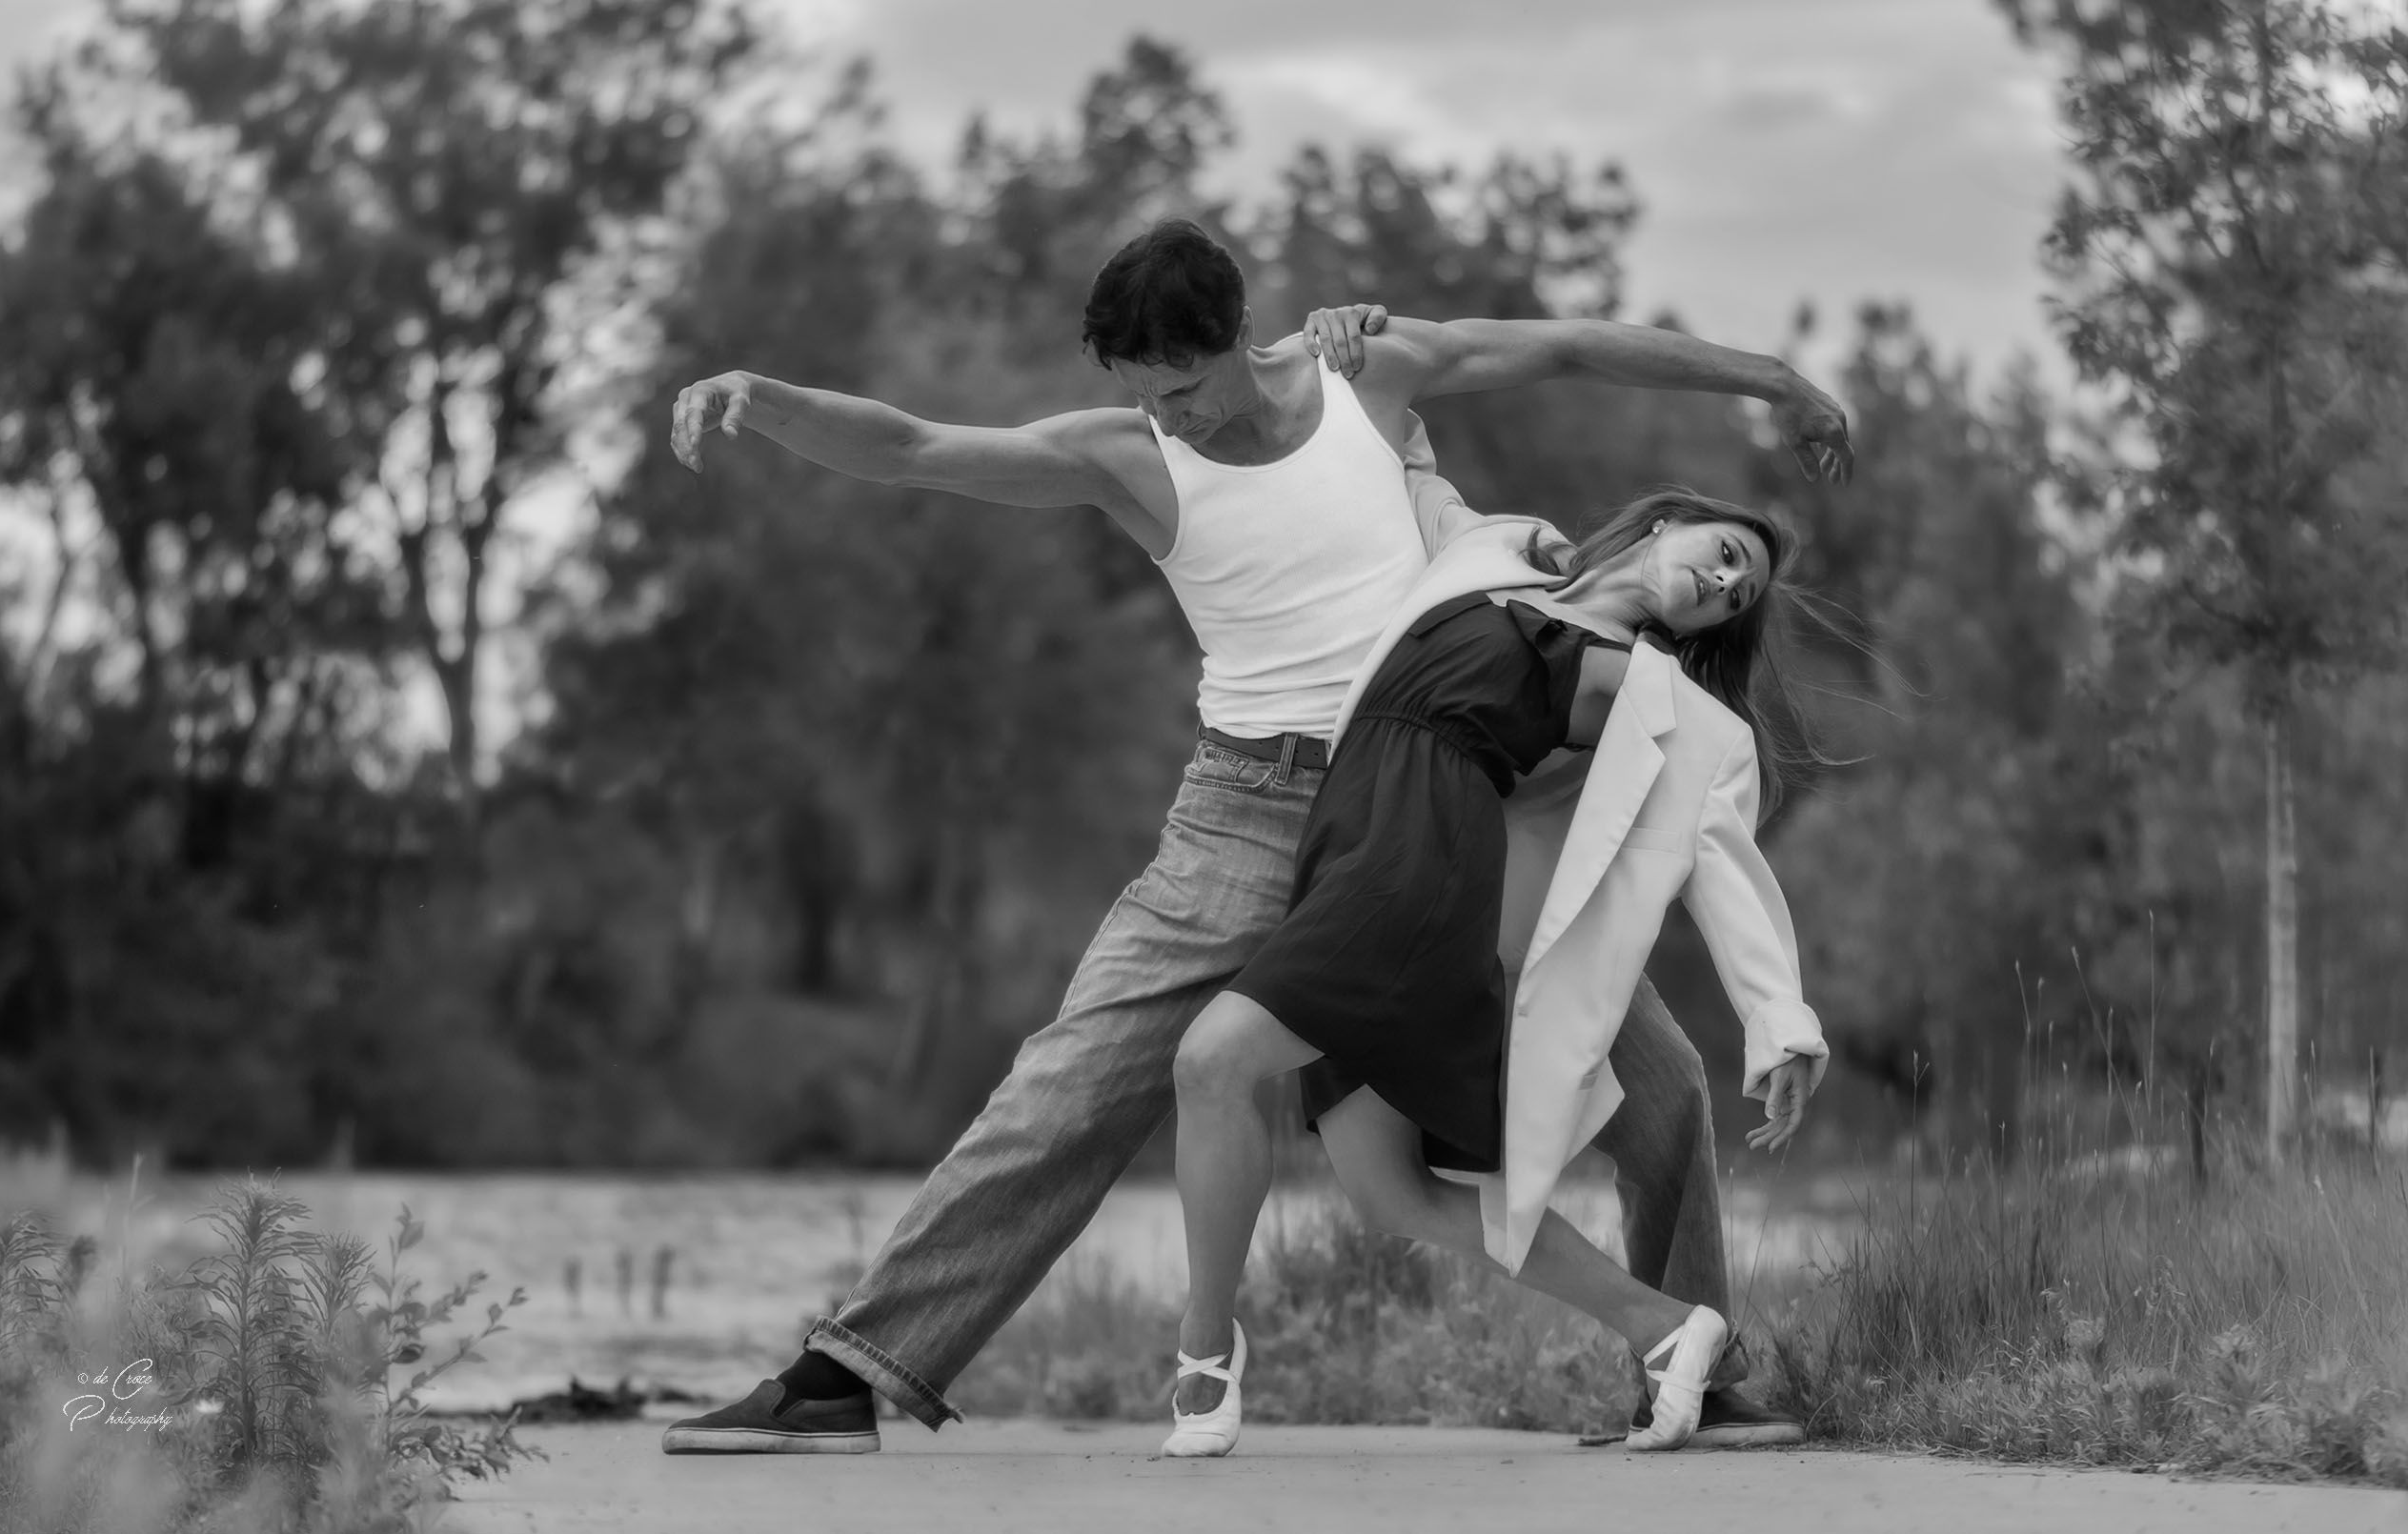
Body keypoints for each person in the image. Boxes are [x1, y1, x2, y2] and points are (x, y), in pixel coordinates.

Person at [658, 217, 1852, 1455]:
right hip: (1248, 807)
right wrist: (765, 399)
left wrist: (1772, 378)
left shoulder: (1368, 375)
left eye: (1185, 387)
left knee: (1659, 1094)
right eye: (1141, 394)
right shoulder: (1127, 456)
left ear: (1240, 338)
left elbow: (1569, 350)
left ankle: (1697, 1371)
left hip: (1439, 806)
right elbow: (915, 444)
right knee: (1075, 1078)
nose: (1172, 416)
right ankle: (848, 1373)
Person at [1161, 473, 1829, 1456]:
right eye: (1726, 554)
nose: (1721, 583)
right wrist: (1341, 340)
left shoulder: (1636, 685)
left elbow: (1717, 844)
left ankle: (1204, 1353)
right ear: (1669, 519)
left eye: (1736, 596)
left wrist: (1780, 1019)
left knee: (1210, 1061)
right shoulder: (1499, 555)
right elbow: (1404, 462)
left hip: (1416, 867)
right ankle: (1665, 1328)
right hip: (1346, 845)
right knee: (1389, 1190)